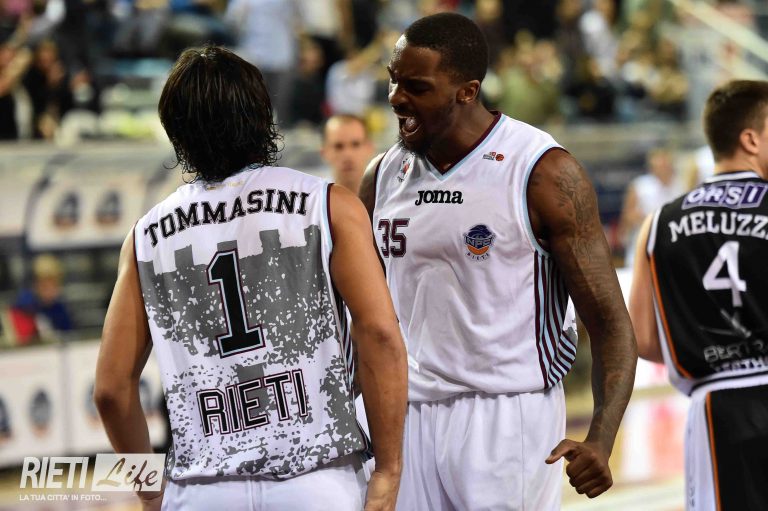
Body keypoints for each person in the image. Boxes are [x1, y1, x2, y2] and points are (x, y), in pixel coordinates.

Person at [94, 45, 407, 511]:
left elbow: (111, 390)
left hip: (203, 488)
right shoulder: (327, 204)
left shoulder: (144, 238)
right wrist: (388, 468)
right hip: (316, 478)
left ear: (175, 130)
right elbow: (380, 334)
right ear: (262, 115)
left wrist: (152, 490)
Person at [359, 13, 637, 510]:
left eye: (416, 87)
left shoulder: (542, 171)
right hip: (406, 410)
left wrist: (601, 435)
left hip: (507, 413)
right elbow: (358, 315)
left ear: (467, 91)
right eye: (393, 80)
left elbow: (610, 322)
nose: (396, 98)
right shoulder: (381, 176)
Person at [629, 79, 768, 511]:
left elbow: (642, 339)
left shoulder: (659, 223)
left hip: (715, 407)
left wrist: (705, 346)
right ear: (751, 139)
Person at [619, 147, 684, 266]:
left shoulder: (682, 185)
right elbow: (628, 215)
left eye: (665, 165)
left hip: (673, 245)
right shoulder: (640, 186)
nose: (662, 169)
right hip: (644, 244)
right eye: (658, 166)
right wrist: (648, 220)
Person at [322, 114, 375, 195]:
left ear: (369, 147)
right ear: (324, 152)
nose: (347, 154)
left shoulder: (389, 196)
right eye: (338, 146)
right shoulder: (314, 200)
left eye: (355, 144)